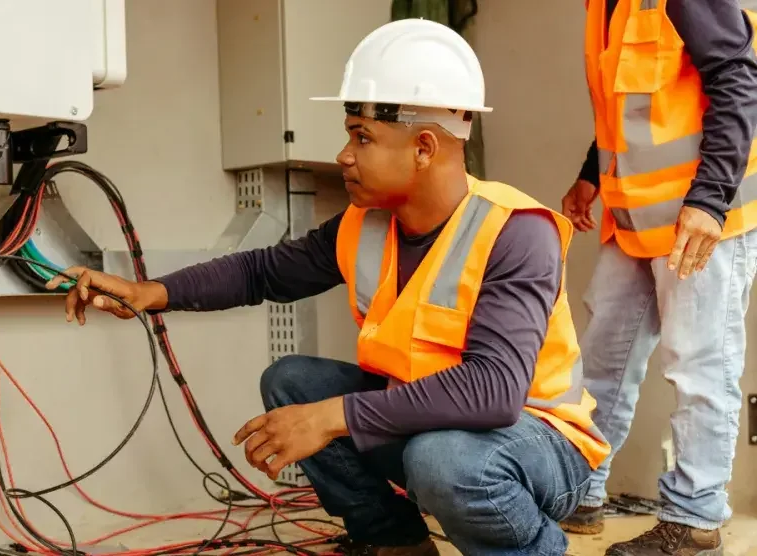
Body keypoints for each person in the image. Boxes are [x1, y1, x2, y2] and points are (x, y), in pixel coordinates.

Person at [49, 19, 610, 556]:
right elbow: (261, 272)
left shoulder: (516, 231)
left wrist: (333, 417)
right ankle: (395, 541)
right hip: (437, 426)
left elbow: (493, 391)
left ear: (424, 148)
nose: (344, 155)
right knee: (293, 382)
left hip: (539, 441)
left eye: (361, 137)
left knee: (445, 461)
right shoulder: (364, 225)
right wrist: (150, 292)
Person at [558, 0, 757, 554]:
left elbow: (739, 79)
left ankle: (695, 518)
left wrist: (711, 199)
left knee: (699, 365)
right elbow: (631, 106)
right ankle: (581, 491)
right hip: (636, 221)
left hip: (700, 218)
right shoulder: (606, 5)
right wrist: (589, 176)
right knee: (601, 359)